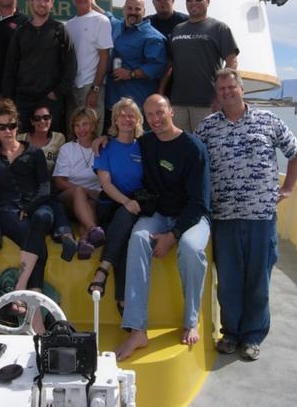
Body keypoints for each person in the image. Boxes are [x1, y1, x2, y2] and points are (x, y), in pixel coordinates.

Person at [195, 69, 297, 361]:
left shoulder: (269, 121)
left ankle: (253, 337)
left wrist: (289, 188)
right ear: (217, 93)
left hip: (261, 217)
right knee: (229, 280)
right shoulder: (206, 128)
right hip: (224, 217)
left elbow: (296, 153)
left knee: (257, 281)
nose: (228, 92)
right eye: (222, 89)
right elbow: (193, 163)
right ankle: (230, 333)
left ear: (242, 90)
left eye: (232, 87)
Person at [115, 94, 211, 361]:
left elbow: (200, 202)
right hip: (160, 213)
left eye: (160, 113)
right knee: (138, 238)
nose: (155, 120)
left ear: (171, 111)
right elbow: (121, 145)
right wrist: (103, 141)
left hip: (192, 216)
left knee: (191, 249)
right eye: (150, 115)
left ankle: (191, 319)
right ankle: (137, 329)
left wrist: (174, 235)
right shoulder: (146, 143)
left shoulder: (193, 148)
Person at [0, 99, 69, 332]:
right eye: (1, 127)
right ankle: (36, 311)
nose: (8, 131)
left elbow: (45, 188)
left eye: (11, 125)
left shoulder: (34, 152)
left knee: (43, 218)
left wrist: (29, 208)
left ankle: (19, 290)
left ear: (18, 126)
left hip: (37, 206)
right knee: (40, 247)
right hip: (8, 209)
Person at [87, 98, 145, 314]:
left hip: (138, 203)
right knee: (124, 227)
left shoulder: (145, 146)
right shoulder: (106, 147)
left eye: (131, 115)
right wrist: (126, 202)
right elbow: (106, 183)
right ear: (115, 119)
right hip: (113, 203)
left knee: (125, 232)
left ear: (138, 119)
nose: (127, 119)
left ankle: (102, 272)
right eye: (122, 115)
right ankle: (122, 300)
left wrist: (132, 203)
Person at [161, 0, 239, 132]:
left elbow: (232, 62)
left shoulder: (219, 28)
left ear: (208, 1)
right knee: (181, 148)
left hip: (207, 104)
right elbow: (170, 65)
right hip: (177, 103)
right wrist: (161, 92)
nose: (193, 2)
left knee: (207, 150)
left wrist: (220, 98)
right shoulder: (177, 29)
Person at [3, 0, 76, 133]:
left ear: (52, 3)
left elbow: (70, 65)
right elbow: (10, 67)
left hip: (50, 101)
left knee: (51, 147)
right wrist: (9, 100)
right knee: (22, 145)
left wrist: (57, 93)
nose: (42, 3)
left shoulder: (59, 30)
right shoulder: (21, 31)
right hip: (22, 100)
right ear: (31, 1)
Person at [92, 0, 167, 127]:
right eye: (129, 8)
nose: (133, 12)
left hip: (136, 106)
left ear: (144, 12)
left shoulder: (153, 37)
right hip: (112, 103)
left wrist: (131, 74)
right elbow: (108, 16)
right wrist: (92, 3)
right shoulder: (117, 25)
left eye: (137, 9)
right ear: (123, 10)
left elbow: (157, 66)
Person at [53, 107, 103, 259]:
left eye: (85, 124)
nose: (81, 129)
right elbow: (59, 181)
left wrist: (89, 193)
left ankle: (84, 242)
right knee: (80, 193)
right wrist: (83, 190)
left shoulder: (103, 147)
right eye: (77, 125)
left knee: (89, 203)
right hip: (69, 196)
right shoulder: (68, 149)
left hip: (95, 197)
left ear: (93, 126)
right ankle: (92, 229)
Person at [65, 0, 112, 132]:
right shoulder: (69, 24)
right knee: (74, 134)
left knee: (92, 134)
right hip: (72, 87)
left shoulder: (101, 20)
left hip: (89, 86)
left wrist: (95, 88)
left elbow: (104, 56)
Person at [18, 101, 66, 174]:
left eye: (46, 117)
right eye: (37, 118)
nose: (42, 121)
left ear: (51, 119)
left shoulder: (59, 138)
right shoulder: (19, 138)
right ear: (32, 121)